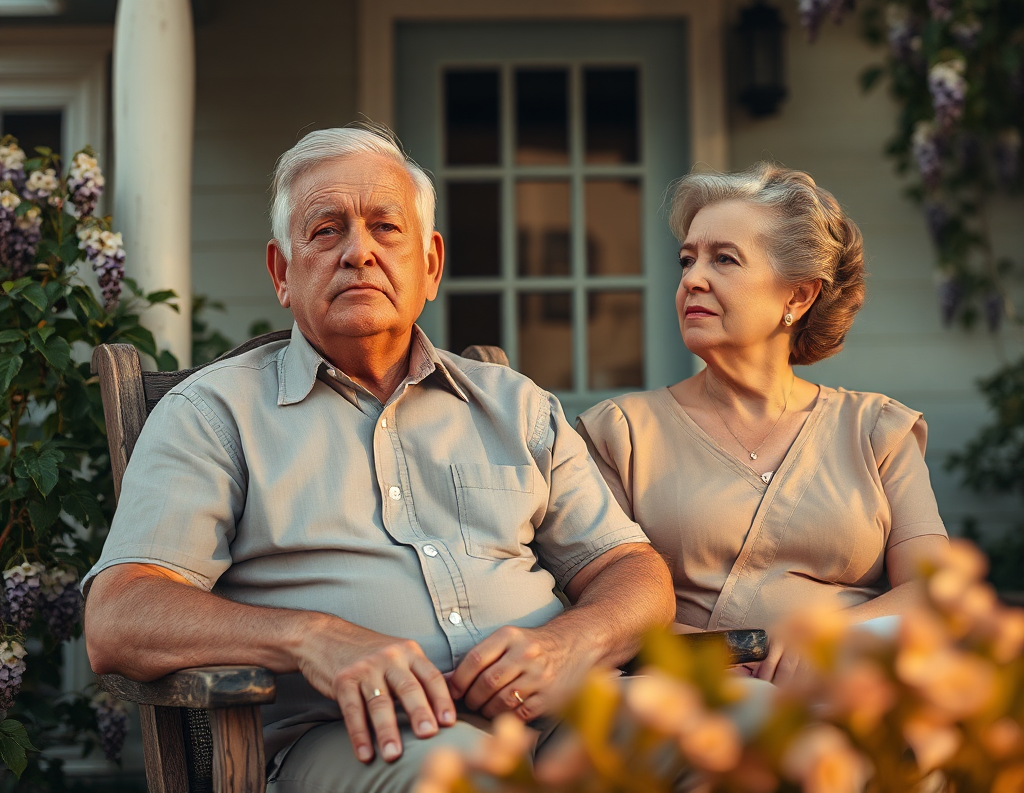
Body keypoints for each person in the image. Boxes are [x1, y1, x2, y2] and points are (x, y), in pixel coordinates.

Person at [83, 125, 675, 792]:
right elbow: (118, 616)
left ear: (431, 264)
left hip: (563, 720)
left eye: (386, 228)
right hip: (358, 739)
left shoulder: (515, 406)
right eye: (327, 230)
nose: (358, 252)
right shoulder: (212, 416)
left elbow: (633, 569)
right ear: (282, 272)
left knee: (756, 727)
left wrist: (577, 641)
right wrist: (312, 638)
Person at [577, 163, 948, 685]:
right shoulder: (621, 433)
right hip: (700, 697)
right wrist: (752, 656)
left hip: (859, 682)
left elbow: (934, 591)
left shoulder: (875, 428)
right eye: (687, 261)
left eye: (723, 259)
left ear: (797, 297)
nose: (692, 280)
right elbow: (606, 606)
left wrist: (827, 641)